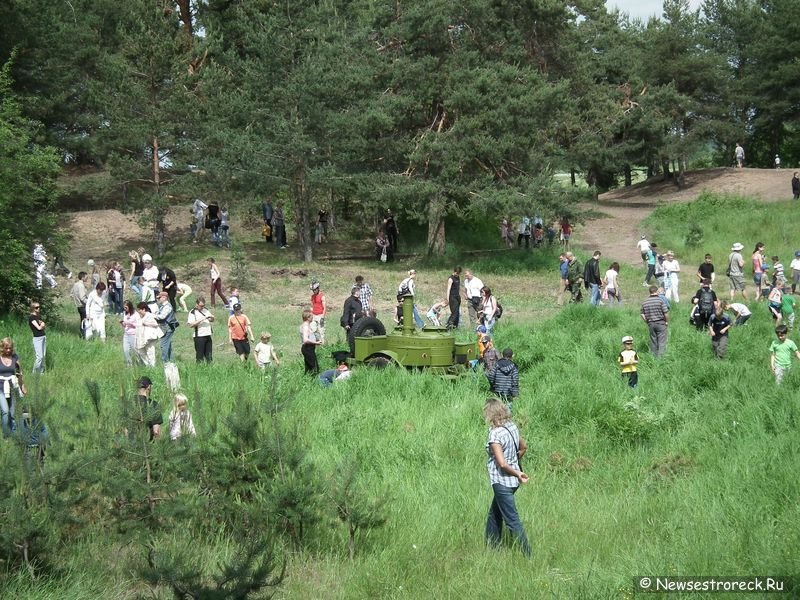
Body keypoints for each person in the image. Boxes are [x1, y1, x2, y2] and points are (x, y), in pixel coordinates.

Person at [482, 398, 531, 557]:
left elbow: (501, 464)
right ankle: (492, 546)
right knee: (494, 514)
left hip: (502, 482)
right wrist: (515, 463)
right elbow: (523, 447)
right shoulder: (512, 426)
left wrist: (517, 472)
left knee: (512, 520)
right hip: (513, 482)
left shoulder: (495, 434)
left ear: (490, 414)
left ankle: (528, 555)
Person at [0, 338, 26, 436]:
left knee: (13, 411)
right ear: (2, 348)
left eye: (10, 348)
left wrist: (22, 386)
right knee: (5, 411)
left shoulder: (15, 357)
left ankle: (14, 433)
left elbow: (19, 373)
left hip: (12, 386)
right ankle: (6, 434)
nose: (8, 350)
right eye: (6, 348)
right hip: (1, 388)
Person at [486, 348, 519, 412]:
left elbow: (491, 376)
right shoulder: (514, 367)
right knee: (508, 410)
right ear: (512, 356)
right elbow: (515, 382)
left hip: (498, 392)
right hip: (509, 393)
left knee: (498, 409)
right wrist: (515, 394)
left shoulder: (497, 364)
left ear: (502, 355)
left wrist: (493, 387)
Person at [640, 285, 669, 358]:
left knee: (653, 341)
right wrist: (666, 321)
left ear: (649, 292)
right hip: (661, 323)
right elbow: (666, 313)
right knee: (661, 342)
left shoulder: (645, 302)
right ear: (656, 291)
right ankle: (660, 358)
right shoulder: (660, 301)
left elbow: (642, 314)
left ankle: (653, 357)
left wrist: (647, 321)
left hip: (651, 324)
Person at [134, 376, 162, 441]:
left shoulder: (129, 403)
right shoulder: (153, 404)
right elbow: (156, 431)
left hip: (131, 447)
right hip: (148, 444)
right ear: (148, 387)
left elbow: (124, 428)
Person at [187, 296, 215, 363]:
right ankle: (199, 368)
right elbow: (191, 325)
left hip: (208, 334)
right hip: (199, 336)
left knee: (209, 355)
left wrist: (212, 318)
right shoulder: (192, 312)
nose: (202, 307)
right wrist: (203, 318)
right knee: (200, 355)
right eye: (201, 306)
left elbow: (211, 320)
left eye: (203, 305)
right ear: (196, 304)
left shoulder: (206, 310)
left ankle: (209, 368)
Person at [135, 302, 161, 367]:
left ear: (143, 309)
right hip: (141, 337)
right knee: (140, 351)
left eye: (139, 310)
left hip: (150, 337)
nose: (138, 311)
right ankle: (147, 365)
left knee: (150, 352)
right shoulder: (139, 317)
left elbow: (156, 324)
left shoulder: (150, 315)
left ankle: (152, 366)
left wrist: (147, 324)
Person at [155, 292, 178, 363]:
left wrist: (151, 316)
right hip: (164, 328)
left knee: (163, 345)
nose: (158, 299)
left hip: (167, 328)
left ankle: (165, 362)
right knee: (168, 345)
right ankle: (171, 361)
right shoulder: (163, 306)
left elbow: (162, 316)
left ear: (164, 298)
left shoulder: (167, 306)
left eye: (159, 298)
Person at [300, 310, 322, 374]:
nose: (313, 317)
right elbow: (305, 340)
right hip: (307, 348)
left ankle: (308, 380)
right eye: (311, 316)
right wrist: (316, 343)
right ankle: (314, 381)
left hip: (309, 348)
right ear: (308, 317)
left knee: (309, 368)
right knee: (314, 367)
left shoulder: (307, 325)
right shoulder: (306, 326)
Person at [120, 300, 140, 367]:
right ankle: (129, 365)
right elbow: (125, 325)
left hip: (133, 334)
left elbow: (139, 325)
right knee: (126, 350)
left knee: (135, 350)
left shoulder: (136, 314)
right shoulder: (125, 313)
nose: (125, 309)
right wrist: (123, 323)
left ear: (130, 307)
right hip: (126, 334)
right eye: (124, 308)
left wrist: (130, 323)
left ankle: (139, 363)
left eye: (126, 307)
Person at [28, 302, 46, 375]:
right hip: (37, 338)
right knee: (39, 357)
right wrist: (42, 325)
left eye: (39, 307)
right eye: (36, 307)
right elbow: (39, 327)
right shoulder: (31, 317)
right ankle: (35, 372)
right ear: (33, 308)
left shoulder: (38, 316)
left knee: (43, 355)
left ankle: (41, 372)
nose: (38, 308)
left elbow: (44, 325)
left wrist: (42, 325)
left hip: (43, 336)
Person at [70, 271, 89, 337]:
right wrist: (89, 303)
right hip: (83, 306)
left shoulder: (76, 284)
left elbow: (71, 294)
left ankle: (82, 335)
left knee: (82, 321)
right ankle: (84, 335)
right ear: (83, 277)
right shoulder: (81, 286)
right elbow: (82, 298)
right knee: (85, 322)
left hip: (78, 306)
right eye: (86, 277)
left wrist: (76, 300)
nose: (87, 278)